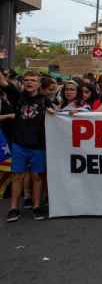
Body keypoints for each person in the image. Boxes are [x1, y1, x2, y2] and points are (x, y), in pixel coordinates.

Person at [1, 71, 54, 222]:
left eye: (33, 80)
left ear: (38, 84)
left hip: (38, 145)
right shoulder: (17, 96)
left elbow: (56, 115)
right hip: (19, 144)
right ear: (23, 82)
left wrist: (53, 112)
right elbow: (4, 83)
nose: (29, 82)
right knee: (17, 176)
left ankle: (36, 207)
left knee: (37, 177)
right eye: (26, 80)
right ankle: (13, 208)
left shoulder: (45, 100)